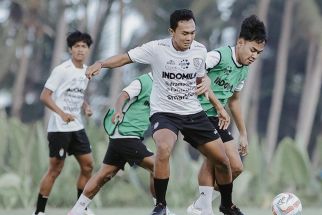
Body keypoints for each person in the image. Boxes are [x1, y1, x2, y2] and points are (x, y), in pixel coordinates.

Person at [85, 9, 243, 215]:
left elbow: (201, 82)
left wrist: (220, 107)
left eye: (192, 32)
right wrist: (101, 63)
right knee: (164, 148)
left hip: (193, 112)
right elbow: (126, 58)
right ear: (172, 31)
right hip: (164, 113)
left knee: (222, 160)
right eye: (184, 33)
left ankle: (226, 205)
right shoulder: (156, 48)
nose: (189, 37)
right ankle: (160, 205)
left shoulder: (200, 50)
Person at [187, 14, 267, 215]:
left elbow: (234, 100)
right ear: (240, 42)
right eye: (252, 50)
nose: (255, 56)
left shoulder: (243, 70)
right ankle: (214, 207)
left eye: (259, 52)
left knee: (236, 167)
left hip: (217, 118)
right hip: (197, 113)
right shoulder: (218, 56)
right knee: (219, 159)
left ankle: (201, 205)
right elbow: (197, 73)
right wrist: (219, 107)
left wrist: (243, 134)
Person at [68, 72, 174, 215]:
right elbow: (122, 95)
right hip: (126, 135)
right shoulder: (143, 81)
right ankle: (161, 209)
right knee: (157, 166)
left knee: (104, 174)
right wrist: (119, 111)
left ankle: (76, 210)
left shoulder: (164, 86)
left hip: (122, 136)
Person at [32, 31, 95, 215]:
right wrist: (62, 113)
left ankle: (80, 208)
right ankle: (39, 212)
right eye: (77, 46)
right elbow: (45, 96)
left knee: (88, 165)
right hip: (59, 128)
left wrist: (85, 106)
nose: (80, 50)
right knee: (55, 169)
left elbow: (75, 93)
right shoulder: (61, 70)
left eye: (84, 46)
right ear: (70, 49)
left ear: (88, 50)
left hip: (77, 126)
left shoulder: (87, 71)